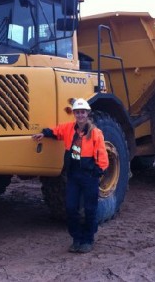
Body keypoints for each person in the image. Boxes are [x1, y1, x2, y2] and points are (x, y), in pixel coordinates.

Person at [32, 98, 108, 253]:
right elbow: (57, 131)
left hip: (89, 176)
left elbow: (102, 154)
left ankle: (88, 240)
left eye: (83, 112)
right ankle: (76, 239)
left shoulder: (95, 133)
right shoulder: (69, 129)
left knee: (89, 209)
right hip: (73, 176)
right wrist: (44, 133)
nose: (80, 115)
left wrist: (98, 171)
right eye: (77, 112)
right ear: (74, 114)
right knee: (71, 208)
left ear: (87, 114)